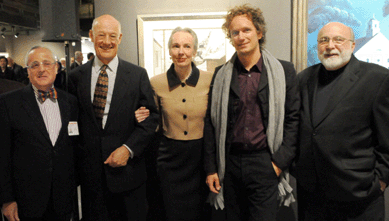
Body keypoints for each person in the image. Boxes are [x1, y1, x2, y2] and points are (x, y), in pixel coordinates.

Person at [203, 4, 300, 221]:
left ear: (259, 32)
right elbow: (211, 123)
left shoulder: (284, 71)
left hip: (264, 162)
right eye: (235, 32)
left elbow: (293, 120)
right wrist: (211, 168)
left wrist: (277, 164)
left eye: (246, 30)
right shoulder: (221, 75)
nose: (241, 36)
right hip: (229, 164)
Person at [294, 22, 389, 221]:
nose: (330, 45)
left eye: (338, 39)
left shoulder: (378, 79)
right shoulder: (304, 79)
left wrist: (380, 180)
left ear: (353, 45)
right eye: (323, 40)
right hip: (312, 197)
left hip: (358, 197)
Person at [68, 14, 158, 221]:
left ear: (120, 38)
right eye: (101, 35)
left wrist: (128, 149)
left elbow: (151, 118)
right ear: (91, 35)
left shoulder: (137, 75)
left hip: (129, 175)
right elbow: (71, 122)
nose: (107, 42)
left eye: (112, 36)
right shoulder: (74, 78)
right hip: (91, 177)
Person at [137, 27, 213, 220]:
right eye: (176, 46)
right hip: (169, 160)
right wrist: (138, 115)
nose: (181, 52)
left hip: (200, 159)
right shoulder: (155, 82)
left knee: (200, 213)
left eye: (187, 46)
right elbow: (152, 119)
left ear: (195, 51)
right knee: (170, 213)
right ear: (169, 51)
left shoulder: (210, 80)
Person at [0, 46, 78, 221]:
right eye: (34, 65)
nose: (42, 69)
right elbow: (2, 155)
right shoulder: (8, 103)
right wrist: (7, 200)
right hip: (25, 202)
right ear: (27, 71)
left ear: (56, 68)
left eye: (46, 63)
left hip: (63, 199)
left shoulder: (71, 102)